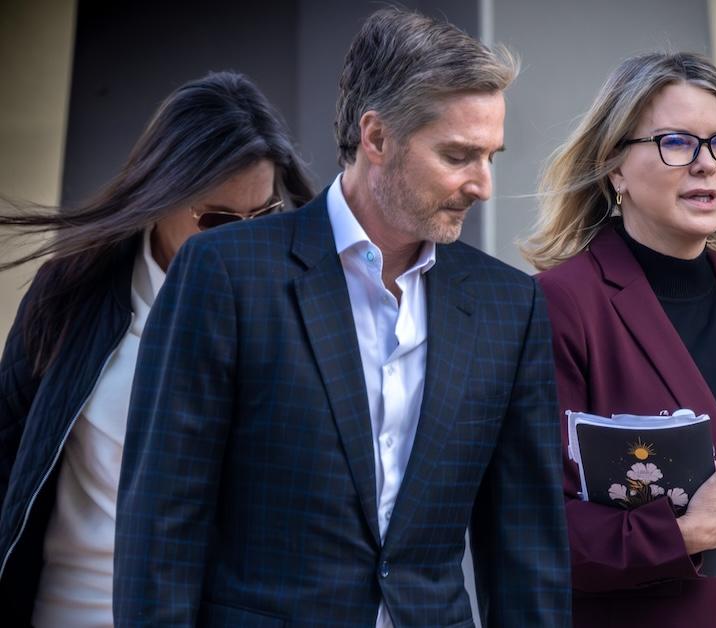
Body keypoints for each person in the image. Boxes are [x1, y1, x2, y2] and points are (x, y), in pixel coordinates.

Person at [112, 8, 569, 627]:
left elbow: (526, 548)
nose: (482, 185)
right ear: (376, 138)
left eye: (491, 156)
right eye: (459, 155)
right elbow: (162, 522)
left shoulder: (508, 307)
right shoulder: (225, 273)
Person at [0, 71, 314, 626]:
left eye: (262, 217)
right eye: (217, 221)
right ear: (159, 197)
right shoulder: (72, 293)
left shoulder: (295, 312)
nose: (241, 243)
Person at [525, 51, 716, 627]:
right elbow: (533, 524)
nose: (706, 165)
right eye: (677, 142)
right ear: (614, 168)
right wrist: (680, 535)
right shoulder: (560, 304)